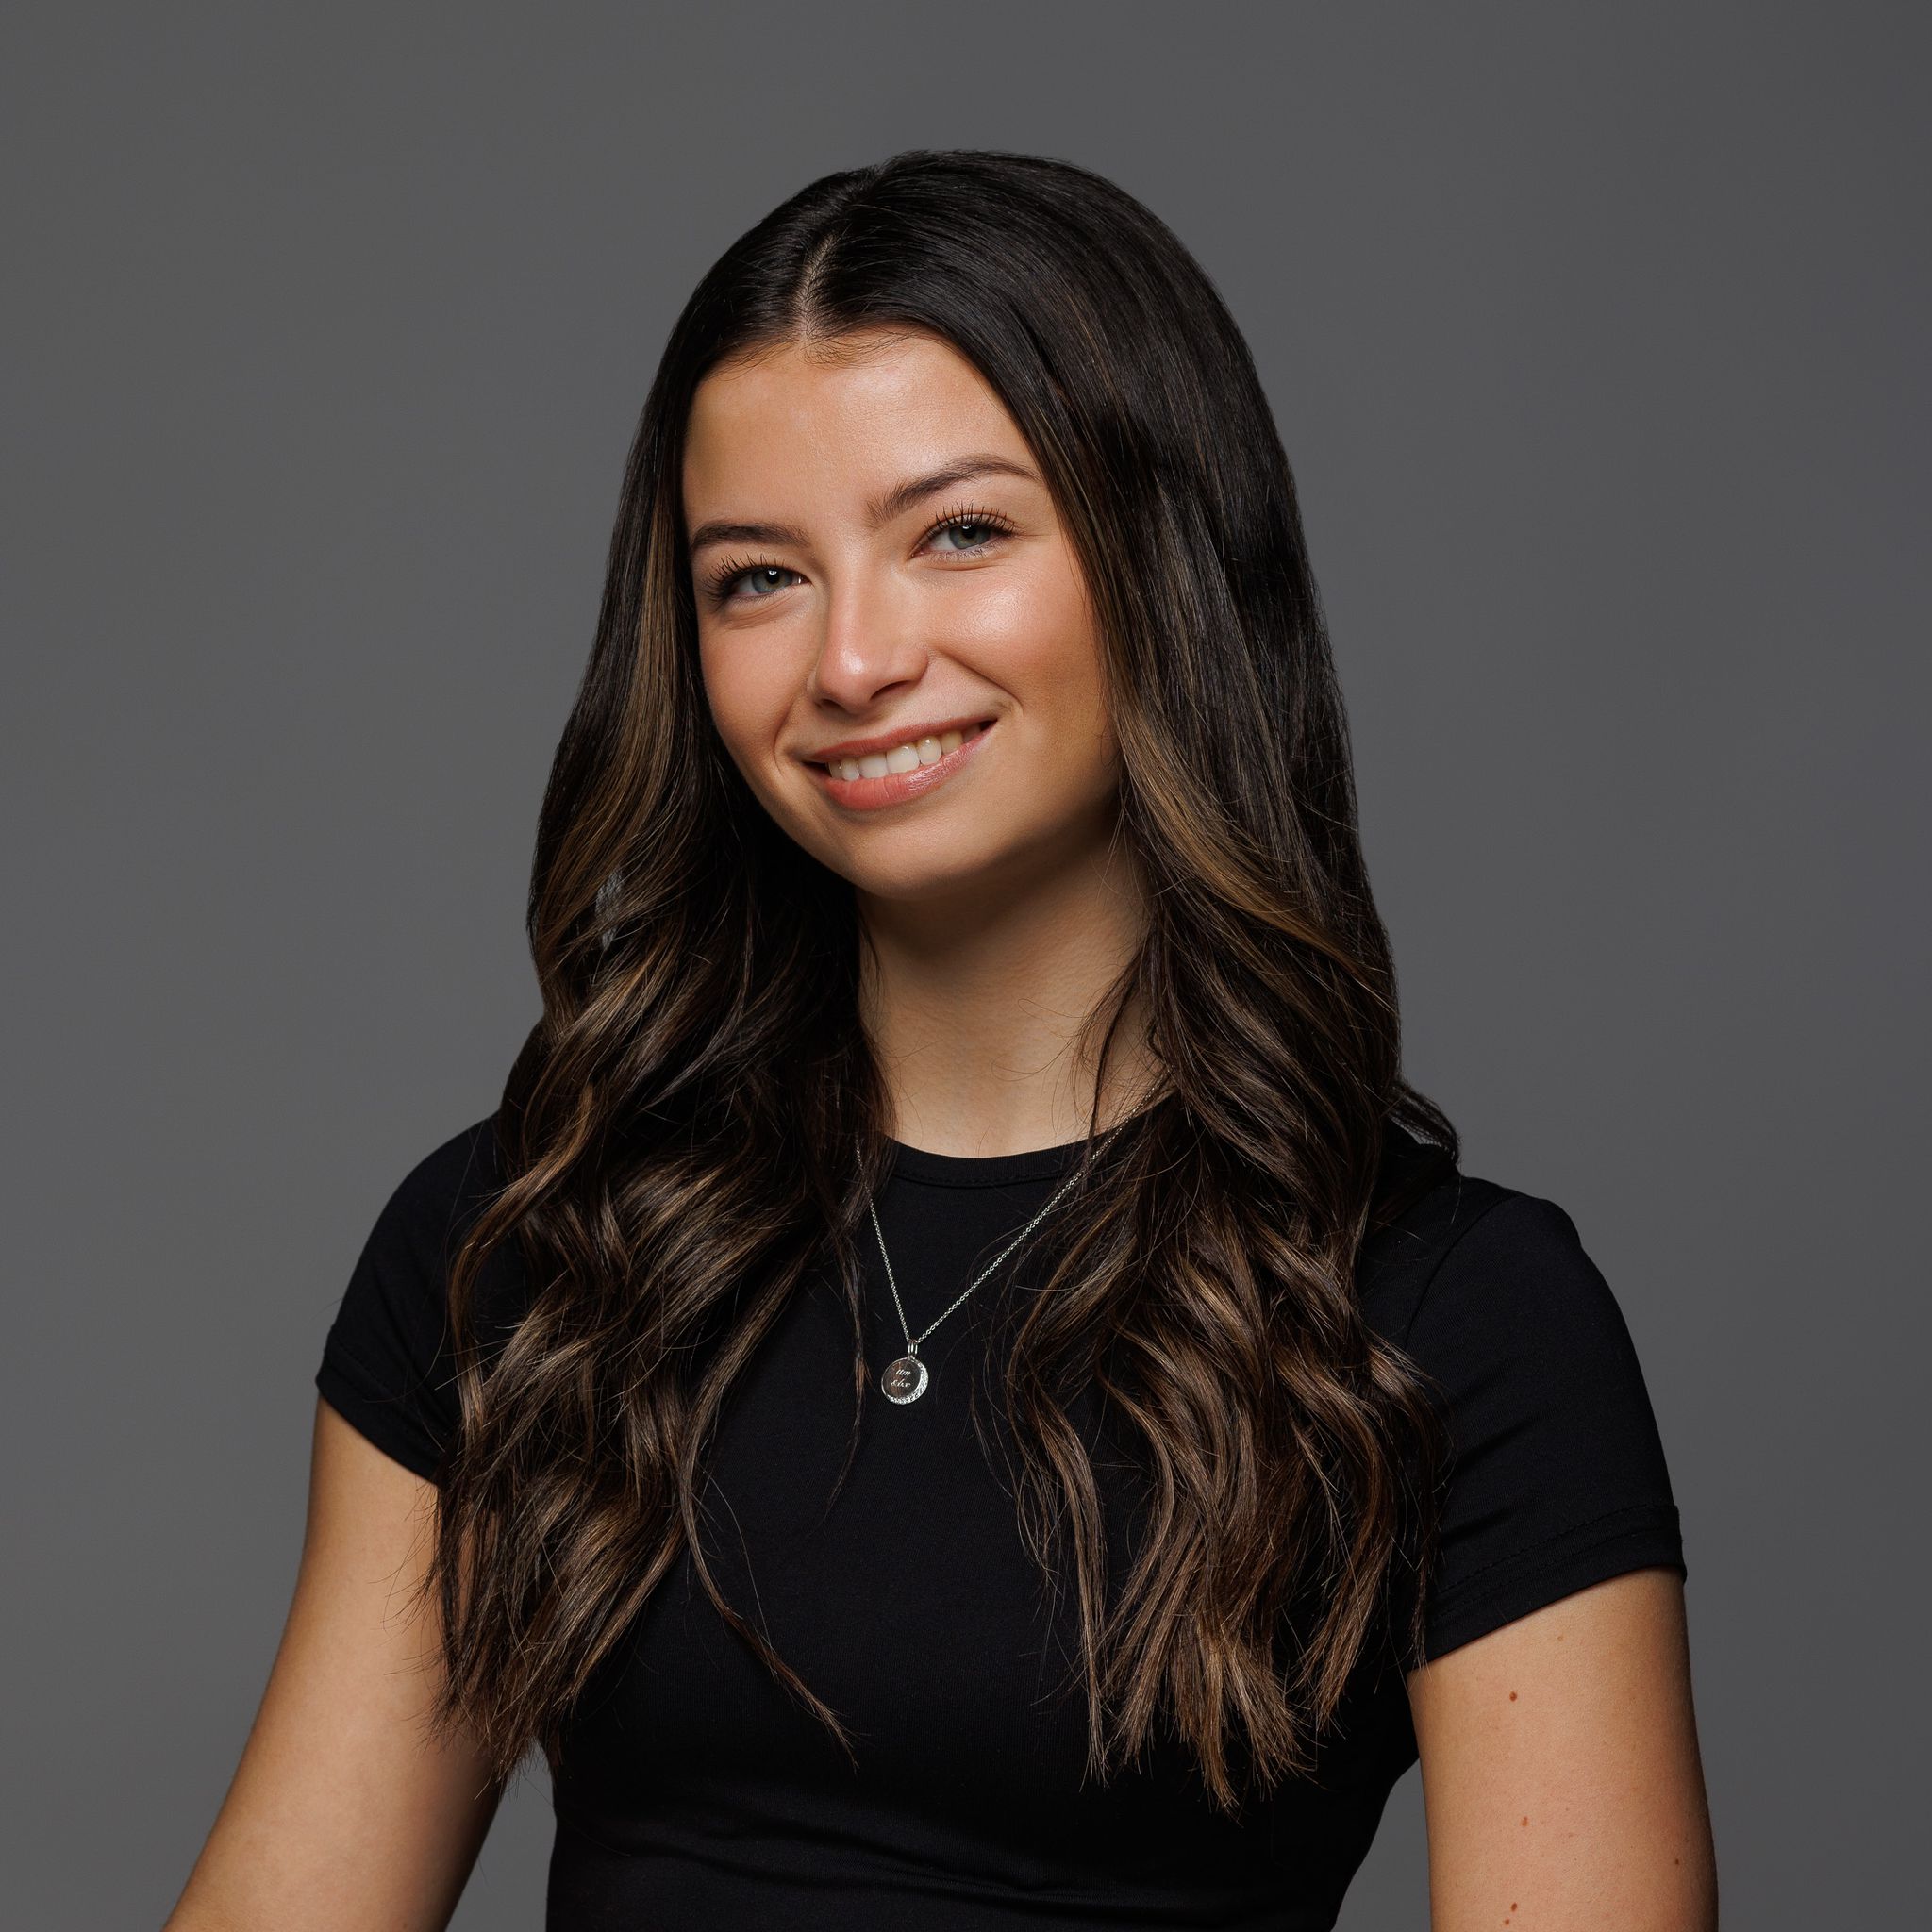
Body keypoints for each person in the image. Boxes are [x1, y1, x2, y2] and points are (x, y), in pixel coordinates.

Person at [166, 148, 1718, 1931]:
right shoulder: (533, 1245)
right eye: (759, 577)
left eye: (959, 534)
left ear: (1163, 564)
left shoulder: (1450, 1322)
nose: (851, 662)